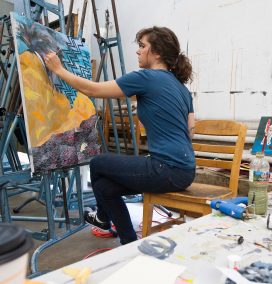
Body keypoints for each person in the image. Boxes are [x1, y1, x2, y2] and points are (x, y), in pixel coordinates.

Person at [44, 26, 196, 245]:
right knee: (105, 188)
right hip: (186, 171)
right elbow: (190, 131)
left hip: (166, 169)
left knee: (97, 163)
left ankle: (104, 220)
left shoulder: (147, 77)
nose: (138, 51)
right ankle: (129, 243)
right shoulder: (182, 89)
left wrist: (59, 70)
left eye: (142, 46)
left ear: (158, 53)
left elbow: (94, 90)